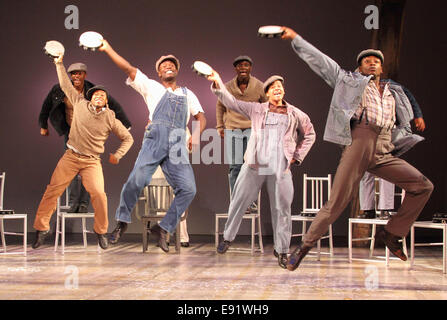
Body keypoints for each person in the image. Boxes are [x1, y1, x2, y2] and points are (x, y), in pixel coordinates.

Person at [280, 26, 433, 271]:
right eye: (366, 61)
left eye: (376, 62)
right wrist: (296, 39)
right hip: (359, 141)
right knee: (337, 202)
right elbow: (322, 63)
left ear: (382, 68)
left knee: (423, 186)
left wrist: (417, 116)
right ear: (359, 68)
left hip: (384, 147)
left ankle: (392, 234)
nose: (372, 64)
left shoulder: (393, 91)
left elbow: (409, 102)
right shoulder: (349, 81)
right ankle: (303, 247)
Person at [99, 39, 206, 253]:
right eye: (163, 65)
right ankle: (122, 221)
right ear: (158, 73)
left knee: (188, 189)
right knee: (136, 180)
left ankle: (163, 228)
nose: (168, 67)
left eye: (172, 65)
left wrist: (195, 135)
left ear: (177, 70)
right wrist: (107, 48)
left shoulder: (188, 93)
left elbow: (201, 117)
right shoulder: (151, 86)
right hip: (155, 138)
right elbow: (128, 68)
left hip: (177, 142)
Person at [207, 70, 316, 269]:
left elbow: (310, 133)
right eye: (273, 87)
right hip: (255, 163)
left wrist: (296, 157)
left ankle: (282, 250)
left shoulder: (295, 113)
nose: (277, 89)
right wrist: (217, 83)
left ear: (283, 92)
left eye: (280, 87)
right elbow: (232, 102)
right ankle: (228, 237)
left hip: (280, 166)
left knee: (282, 209)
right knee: (239, 200)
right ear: (266, 93)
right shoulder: (257, 109)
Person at [32, 54, 134, 250]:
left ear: (105, 102)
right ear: (90, 97)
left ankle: (101, 232)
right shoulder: (79, 103)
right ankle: (41, 228)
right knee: (52, 190)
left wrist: (118, 154)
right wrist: (59, 63)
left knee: (99, 194)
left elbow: (128, 138)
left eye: (102, 96)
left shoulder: (110, 117)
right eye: (95, 94)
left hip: (92, 161)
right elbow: (64, 84)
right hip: (71, 156)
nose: (98, 97)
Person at [359, 84, 426, 219]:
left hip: (387, 132)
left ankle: (386, 208)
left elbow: (408, 96)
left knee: (386, 170)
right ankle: (367, 210)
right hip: (367, 134)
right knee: (366, 172)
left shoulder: (387, 85)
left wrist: (418, 116)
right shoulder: (358, 89)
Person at [216, 56, 267, 197]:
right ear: (235, 68)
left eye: (246, 65)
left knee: (251, 166)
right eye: (239, 65)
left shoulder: (259, 86)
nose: (243, 68)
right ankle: (236, 198)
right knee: (235, 166)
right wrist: (220, 126)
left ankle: (250, 199)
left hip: (252, 129)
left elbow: (267, 107)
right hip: (233, 129)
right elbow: (220, 106)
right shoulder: (227, 87)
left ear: (250, 67)